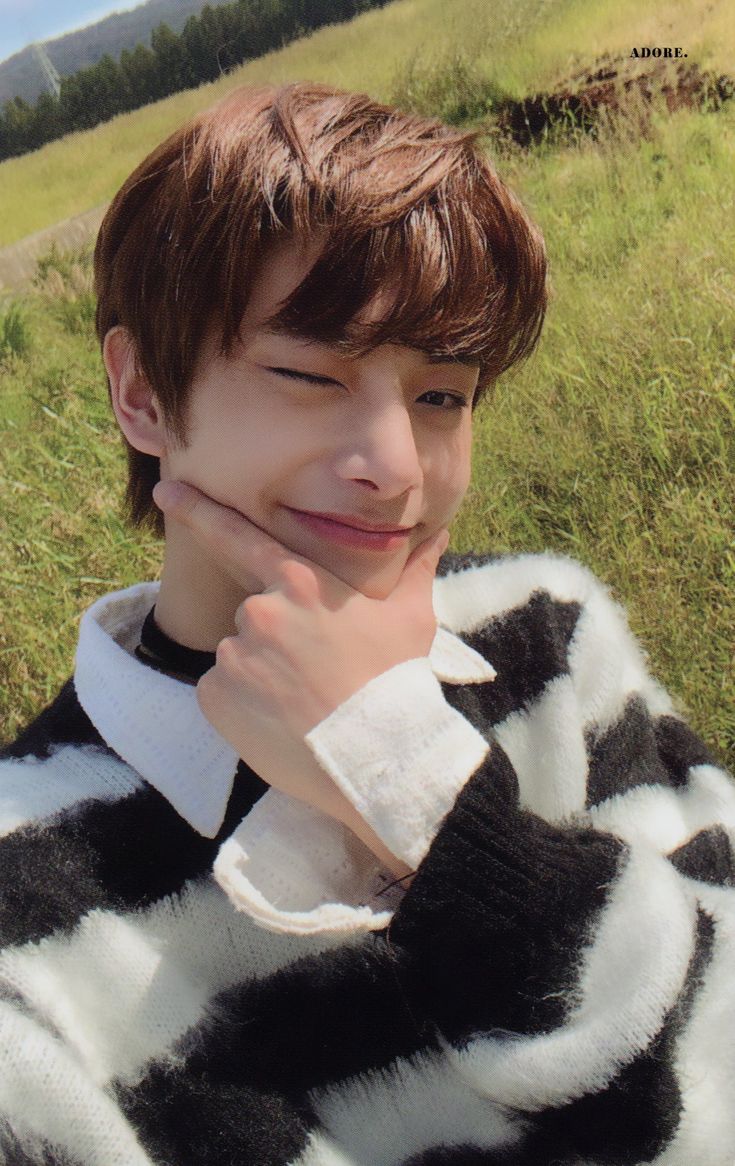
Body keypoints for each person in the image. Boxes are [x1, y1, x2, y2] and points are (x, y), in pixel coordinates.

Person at [1, 81, 733, 1166]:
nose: (395, 467)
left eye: (444, 394)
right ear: (143, 390)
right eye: (309, 374)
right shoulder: (26, 910)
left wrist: (417, 784)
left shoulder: (545, 640)